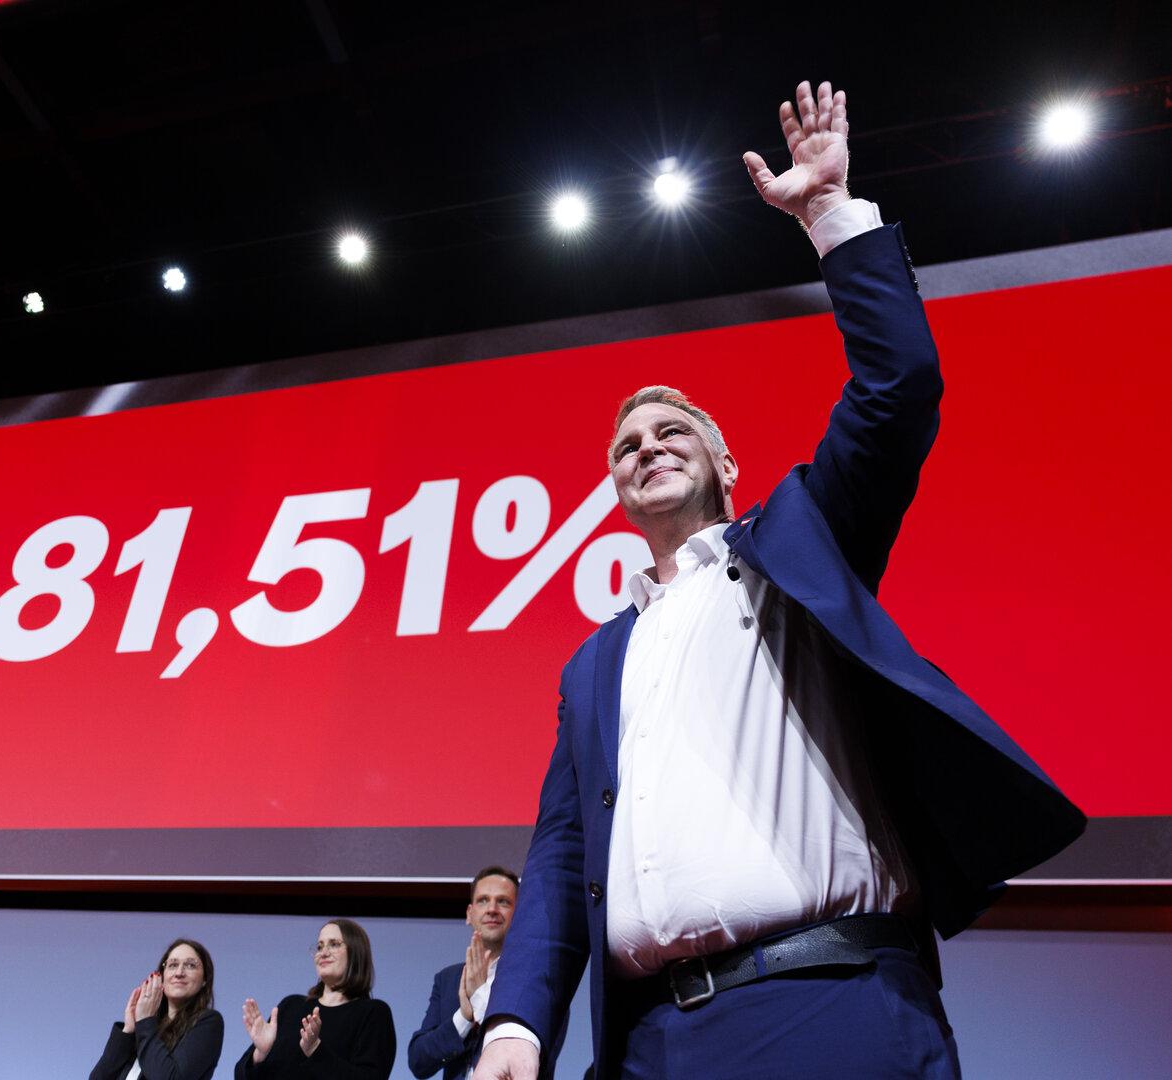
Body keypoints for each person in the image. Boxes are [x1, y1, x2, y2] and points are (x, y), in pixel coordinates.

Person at [475, 80, 1086, 1080]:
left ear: (725, 463)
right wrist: (515, 1023)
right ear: (617, 492)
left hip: (830, 1006)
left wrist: (830, 213)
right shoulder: (594, 665)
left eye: (672, 431)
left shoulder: (797, 541)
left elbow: (896, 389)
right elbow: (560, 853)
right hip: (645, 1046)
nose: (646, 446)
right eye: (627, 445)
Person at [408, 868, 566, 1080]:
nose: (492, 909)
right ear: (469, 914)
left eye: (503, 902)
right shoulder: (448, 979)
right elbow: (419, 1061)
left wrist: (481, 1000)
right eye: (483, 900)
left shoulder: (539, 978)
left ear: (520, 915)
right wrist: (464, 1017)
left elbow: (541, 1057)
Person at [236, 918, 395, 1080]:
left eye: (334, 944)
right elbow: (240, 1076)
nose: (323, 953)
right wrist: (260, 1054)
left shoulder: (374, 1013)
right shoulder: (291, 1006)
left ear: (356, 952)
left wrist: (315, 1050)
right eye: (319, 946)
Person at [90, 938, 225, 1080]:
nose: (179, 973)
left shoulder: (209, 1022)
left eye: (191, 965)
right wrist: (128, 1032)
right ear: (162, 976)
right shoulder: (146, 1028)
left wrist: (145, 1021)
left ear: (205, 979)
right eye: (172, 965)